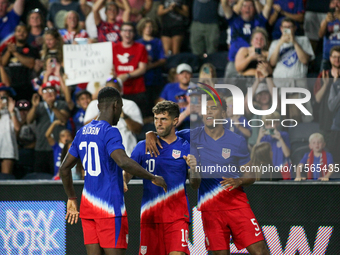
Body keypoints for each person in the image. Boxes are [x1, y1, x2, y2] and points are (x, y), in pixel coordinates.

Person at [145, 96, 269, 254]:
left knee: (260, 251)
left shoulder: (237, 140)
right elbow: (166, 131)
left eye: (213, 108)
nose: (208, 112)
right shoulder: (191, 135)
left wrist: (239, 180)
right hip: (210, 210)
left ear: (223, 113)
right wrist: (150, 133)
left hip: (237, 205)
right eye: (205, 109)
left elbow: (251, 175)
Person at [59, 86, 167, 255]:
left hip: (88, 210)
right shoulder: (110, 131)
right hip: (110, 209)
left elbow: (64, 168)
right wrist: (152, 176)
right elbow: (123, 161)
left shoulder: (82, 132)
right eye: (121, 107)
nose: (120, 112)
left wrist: (72, 198)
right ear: (116, 105)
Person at [123, 101, 200, 255]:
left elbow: (195, 184)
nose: (158, 123)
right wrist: (123, 181)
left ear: (175, 121)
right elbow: (128, 172)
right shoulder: (142, 146)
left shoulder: (186, 147)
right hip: (150, 217)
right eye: (156, 118)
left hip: (177, 216)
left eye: (163, 119)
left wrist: (195, 169)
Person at [84, 78, 143, 157]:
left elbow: (138, 130)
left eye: (114, 89)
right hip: (101, 155)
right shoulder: (94, 104)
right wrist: (102, 112)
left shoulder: (130, 104)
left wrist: (124, 115)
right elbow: (86, 128)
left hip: (127, 153)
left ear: (120, 90)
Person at [221, 0, 273, 78]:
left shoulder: (259, 21)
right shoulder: (234, 20)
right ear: (240, 8)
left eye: (250, 6)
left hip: (254, 63)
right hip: (234, 61)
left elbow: (269, 5)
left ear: (255, 8)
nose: (247, 9)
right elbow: (224, 4)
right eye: (245, 6)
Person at [27, 82, 70, 174]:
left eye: (51, 90)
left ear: (56, 93)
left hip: (58, 148)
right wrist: (34, 107)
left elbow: (63, 119)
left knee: (58, 176)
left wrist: (53, 107)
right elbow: (28, 120)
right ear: (41, 94)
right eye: (45, 90)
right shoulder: (39, 106)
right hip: (41, 147)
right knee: (40, 177)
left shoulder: (62, 104)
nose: (48, 93)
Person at [112, 22, 148, 117]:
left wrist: (127, 75)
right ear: (120, 33)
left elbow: (142, 69)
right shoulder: (113, 48)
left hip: (137, 90)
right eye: (125, 30)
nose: (127, 33)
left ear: (134, 33)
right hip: (119, 91)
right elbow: (110, 66)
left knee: (140, 119)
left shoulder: (140, 48)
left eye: (130, 31)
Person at [136, 17, 166, 121]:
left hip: (155, 77)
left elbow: (163, 59)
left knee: (157, 101)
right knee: (145, 103)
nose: (148, 29)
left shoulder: (157, 42)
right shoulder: (138, 43)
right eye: (146, 26)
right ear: (141, 28)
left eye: (150, 26)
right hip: (142, 80)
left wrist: (149, 66)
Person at [1, 24, 38, 101]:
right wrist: (8, 51)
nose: (21, 33)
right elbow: (2, 64)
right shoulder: (7, 49)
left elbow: (31, 64)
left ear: (28, 34)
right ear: (15, 33)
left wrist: (15, 53)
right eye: (19, 31)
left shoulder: (32, 49)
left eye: (24, 31)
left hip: (26, 88)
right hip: (10, 88)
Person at [314, 46, 340, 146]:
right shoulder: (323, 75)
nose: (337, 60)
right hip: (325, 122)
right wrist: (326, 84)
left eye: (339, 57)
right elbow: (317, 99)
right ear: (330, 58)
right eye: (334, 57)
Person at [256, 111, 291, 180]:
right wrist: (259, 137)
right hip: (268, 170)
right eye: (267, 124)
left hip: (283, 168)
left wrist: (280, 139)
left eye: (272, 124)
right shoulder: (264, 137)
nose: (269, 127)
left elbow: (287, 154)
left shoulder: (284, 135)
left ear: (277, 123)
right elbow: (257, 153)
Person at [0, 83, 20, 174]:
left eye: (5, 96)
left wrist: (11, 111)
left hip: (8, 149)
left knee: (6, 178)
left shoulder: (15, 111)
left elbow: (17, 128)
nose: (2, 99)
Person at [319, 0, 340, 71]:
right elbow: (320, 35)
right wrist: (326, 21)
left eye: (338, 3)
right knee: (323, 80)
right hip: (327, 57)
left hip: (339, 57)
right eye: (333, 3)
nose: (336, 5)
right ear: (330, 5)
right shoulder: (326, 18)